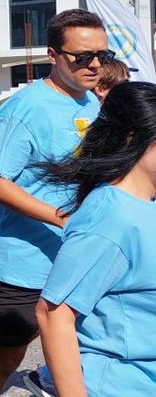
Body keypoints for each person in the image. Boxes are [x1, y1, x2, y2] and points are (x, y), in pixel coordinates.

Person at [0, 10, 107, 397]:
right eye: (82, 56)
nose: (95, 64)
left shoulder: (90, 104)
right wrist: (60, 218)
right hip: (25, 258)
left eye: (103, 55)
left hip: (74, 249)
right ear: (53, 55)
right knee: (6, 354)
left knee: (78, 343)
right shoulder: (26, 108)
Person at [35, 81, 156, 397]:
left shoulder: (146, 203)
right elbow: (53, 313)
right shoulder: (111, 216)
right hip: (121, 385)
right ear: (134, 138)